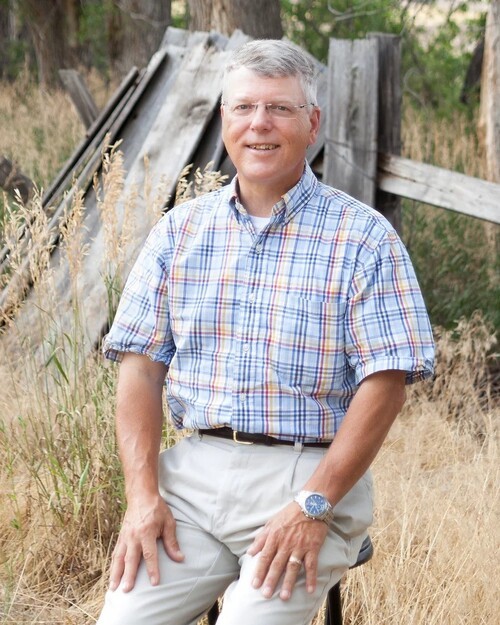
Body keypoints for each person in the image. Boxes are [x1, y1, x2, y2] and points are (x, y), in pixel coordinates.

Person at [96, 39, 434, 625]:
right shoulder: (179, 231)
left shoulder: (364, 238)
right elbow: (140, 369)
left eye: (279, 108)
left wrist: (313, 505)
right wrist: (142, 497)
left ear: (312, 123)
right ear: (224, 117)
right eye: (244, 107)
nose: (259, 124)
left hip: (308, 476)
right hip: (192, 477)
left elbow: (386, 384)